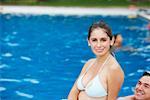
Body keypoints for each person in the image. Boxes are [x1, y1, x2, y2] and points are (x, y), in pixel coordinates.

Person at [68, 20, 124, 100]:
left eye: (103, 40)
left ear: (111, 41)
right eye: (94, 40)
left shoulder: (113, 69)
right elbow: (73, 92)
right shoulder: (89, 63)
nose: (98, 45)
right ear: (88, 42)